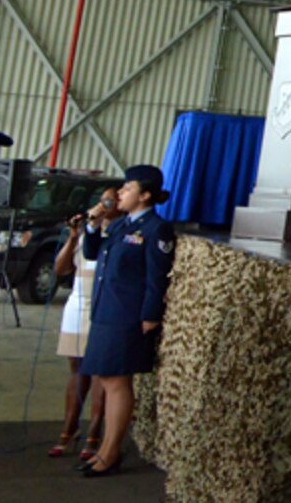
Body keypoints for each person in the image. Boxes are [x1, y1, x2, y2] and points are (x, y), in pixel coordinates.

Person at [78, 165, 174, 478]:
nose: (120, 193)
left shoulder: (156, 229)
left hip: (128, 316)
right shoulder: (120, 225)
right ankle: (105, 449)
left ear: (145, 195)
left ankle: (111, 451)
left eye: (127, 189)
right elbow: (94, 254)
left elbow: (156, 277)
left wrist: (149, 315)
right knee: (106, 379)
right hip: (107, 310)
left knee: (118, 382)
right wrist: (92, 225)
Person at [49, 187, 116, 461]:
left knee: (99, 371)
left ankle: (94, 434)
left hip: (103, 306)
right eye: (103, 200)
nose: (106, 204)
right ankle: (69, 429)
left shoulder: (118, 233)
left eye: (111, 200)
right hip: (78, 305)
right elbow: (61, 269)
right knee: (77, 369)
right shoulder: (88, 231)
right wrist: (73, 236)